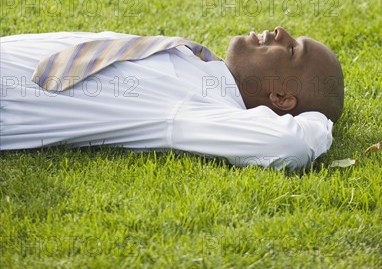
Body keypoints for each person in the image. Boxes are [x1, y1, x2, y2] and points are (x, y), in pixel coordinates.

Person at [0, 26, 344, 170]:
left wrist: (317, 122)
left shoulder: (200, 107)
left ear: (282, 97)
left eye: (293, 49)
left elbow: (287, 145)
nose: (281, 33)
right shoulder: (199, 67)